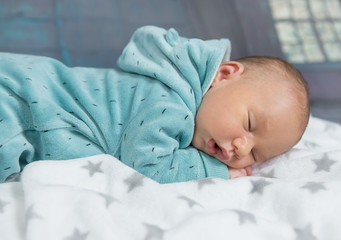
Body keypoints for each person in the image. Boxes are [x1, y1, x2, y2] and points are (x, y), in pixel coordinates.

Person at [0, 26, 309, 183]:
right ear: (224, 75)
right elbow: (147, 166)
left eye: (256, 153)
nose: (242, 147)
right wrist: (213, 170)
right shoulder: (171, 102)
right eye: (250, 124)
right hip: (19, 104)